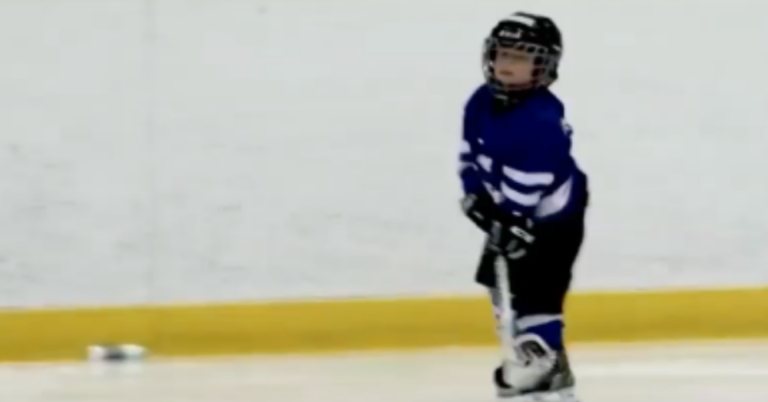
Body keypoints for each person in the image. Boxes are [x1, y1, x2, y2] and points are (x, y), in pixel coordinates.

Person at [458, 11, 589, 401]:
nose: (507, 64)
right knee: (501, 287)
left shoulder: (541, 117)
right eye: (502, 54)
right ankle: (525, 349)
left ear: (543, 64)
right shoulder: (480, 102)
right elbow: (469, 154)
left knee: (538, 292)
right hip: (510, 208)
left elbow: (531, 179)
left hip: (554, 219)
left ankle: (545, 361)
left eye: (521, 56)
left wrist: (511, 218)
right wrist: (476, 196)